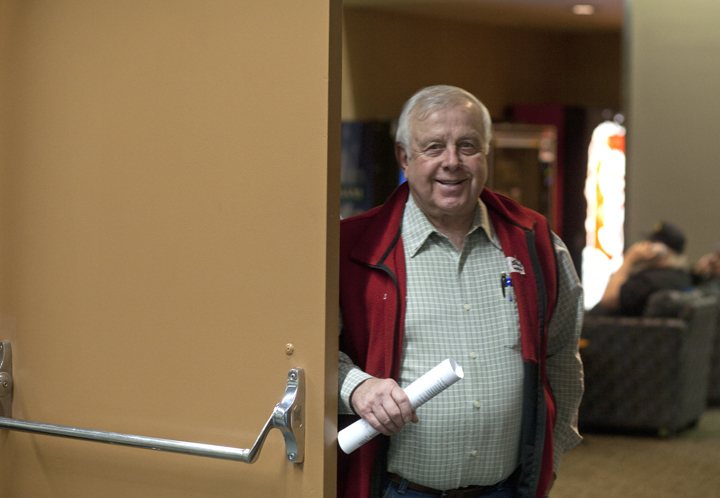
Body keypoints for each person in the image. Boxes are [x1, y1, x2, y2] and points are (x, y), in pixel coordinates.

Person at [338, 85, 584, 498]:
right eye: (433, 147)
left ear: (486, 153)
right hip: (398, 490)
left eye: (467, 146)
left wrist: (551, 455)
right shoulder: (353, 250)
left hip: (506, 489)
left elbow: (561, 359)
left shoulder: (535, 243)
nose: (451, 162)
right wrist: (357, 387)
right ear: (404, 157)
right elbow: (307, 353)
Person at [591, 222, 692, 316]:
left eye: (649, 244)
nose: (643, 245)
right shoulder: (680, 276)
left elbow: (607, 299)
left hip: (603, 330)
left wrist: (629, 259)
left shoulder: (648, 281)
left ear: (660, 251)